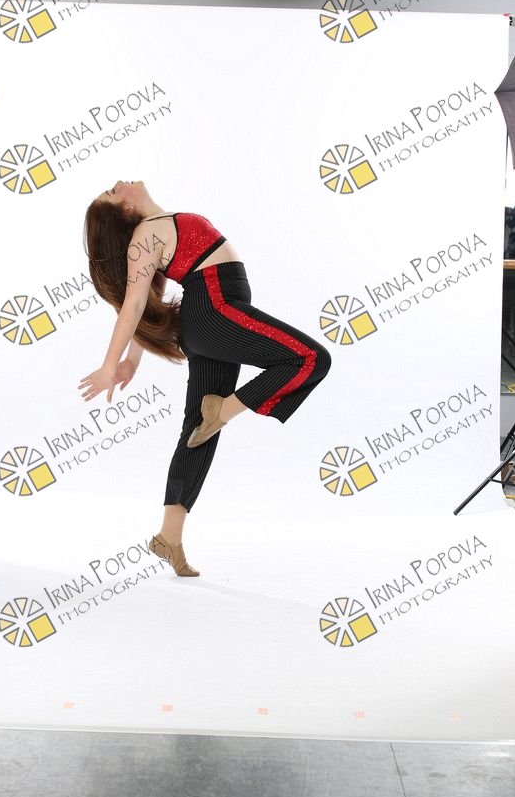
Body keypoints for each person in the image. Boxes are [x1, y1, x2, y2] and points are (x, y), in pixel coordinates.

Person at [80, 180, 332, 577]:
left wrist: (132, 361)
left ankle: (169, 536)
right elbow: (133, 304)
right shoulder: (145, 235)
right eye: (111, 193)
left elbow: (151, 303)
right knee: (310, 357)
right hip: (214, 309)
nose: (117, 184)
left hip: (212, 317)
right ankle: (223, 411)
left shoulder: (156, 228)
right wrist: (111, 365)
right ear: (125, 211)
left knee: (198, 430)